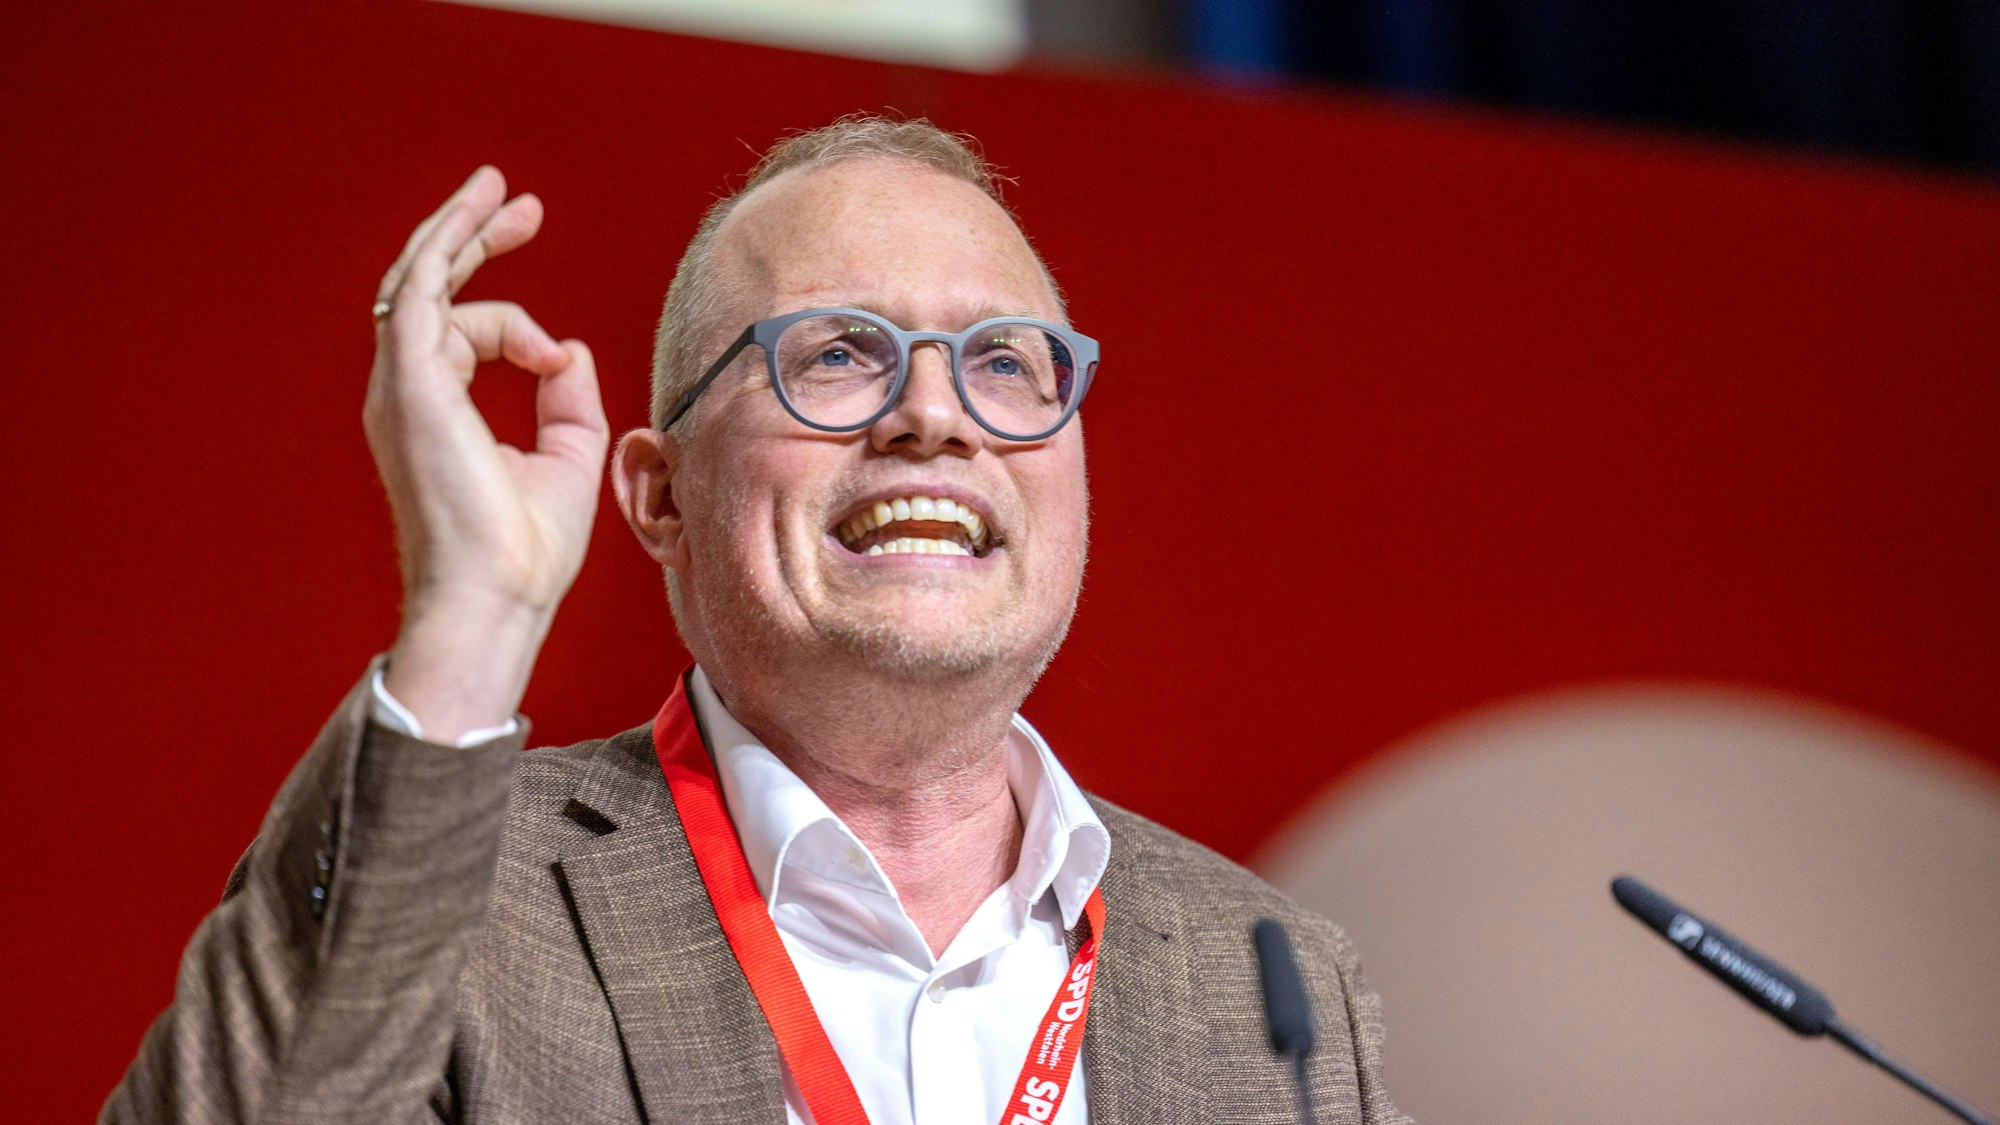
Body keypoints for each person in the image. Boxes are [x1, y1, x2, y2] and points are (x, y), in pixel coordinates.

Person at [104, 117, 1409, 1125]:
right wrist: (472, 611)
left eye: (1006, 360)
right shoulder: (457, 895)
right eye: (838, 353)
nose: (935, 415)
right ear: (661, 496)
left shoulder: (1271, 978)